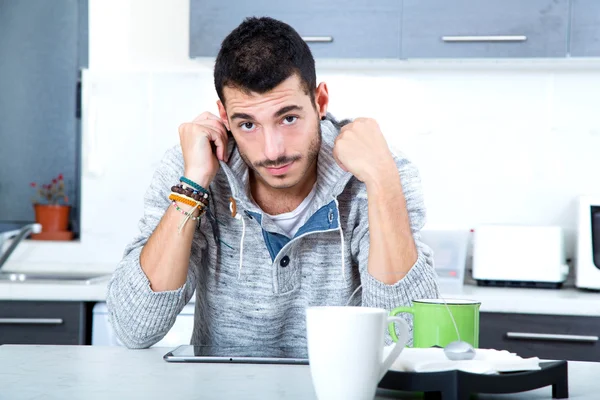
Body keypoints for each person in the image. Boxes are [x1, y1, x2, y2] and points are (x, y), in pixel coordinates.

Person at [106, 16, 439, 350]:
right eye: (248, 124)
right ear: (224, 117)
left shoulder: (378, 170)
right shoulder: (194, 171)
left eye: (288, 118)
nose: (273, 150)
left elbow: (411, 338)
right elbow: (134, 329)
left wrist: (382, 180)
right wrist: (193, 186)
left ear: (320, 101)